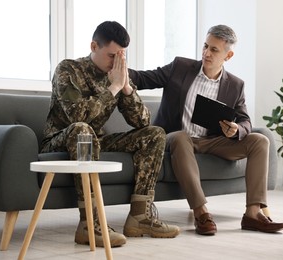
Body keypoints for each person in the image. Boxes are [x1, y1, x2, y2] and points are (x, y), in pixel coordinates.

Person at [129, 24, 283, 235]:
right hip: (177, 137)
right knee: (182, 137)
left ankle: (252, 214)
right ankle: (201, 213)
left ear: (228, 56)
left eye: (214, 50)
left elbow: (245, 120)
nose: (206, 53)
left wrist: (236, 129)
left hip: (211, 141)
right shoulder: (180, 67)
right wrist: (113, 66)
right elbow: (143, 78)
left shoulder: (235, 85)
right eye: (205, 46)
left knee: (260, 141)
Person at [41, 21, 180, 247]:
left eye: (122, 56)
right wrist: (113, 88)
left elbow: (142, 121)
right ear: (94, 46)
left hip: (96, 140)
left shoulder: (117, 74)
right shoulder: (67, 69)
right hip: (60, 140)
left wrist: (125, 88)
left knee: (154, 134)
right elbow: (78, 116)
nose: (117, 62)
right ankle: (90, 224)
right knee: (82, 130)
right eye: (112, 55)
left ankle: (140, 217)